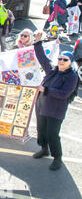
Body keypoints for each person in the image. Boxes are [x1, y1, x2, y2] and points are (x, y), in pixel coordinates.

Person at [32, 32, 79, 170]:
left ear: (70, 63)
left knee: (53, 133)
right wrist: (38, 41)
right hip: (42, 105)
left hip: (55, 109)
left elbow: (64, 94)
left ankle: (57, 157)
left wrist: (45, 90)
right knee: (41, 130)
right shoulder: (53, 69)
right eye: (60, 58)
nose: (61, 61)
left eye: (65, 60)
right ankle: (44, 149)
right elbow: (42, 58)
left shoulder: (71, 76)